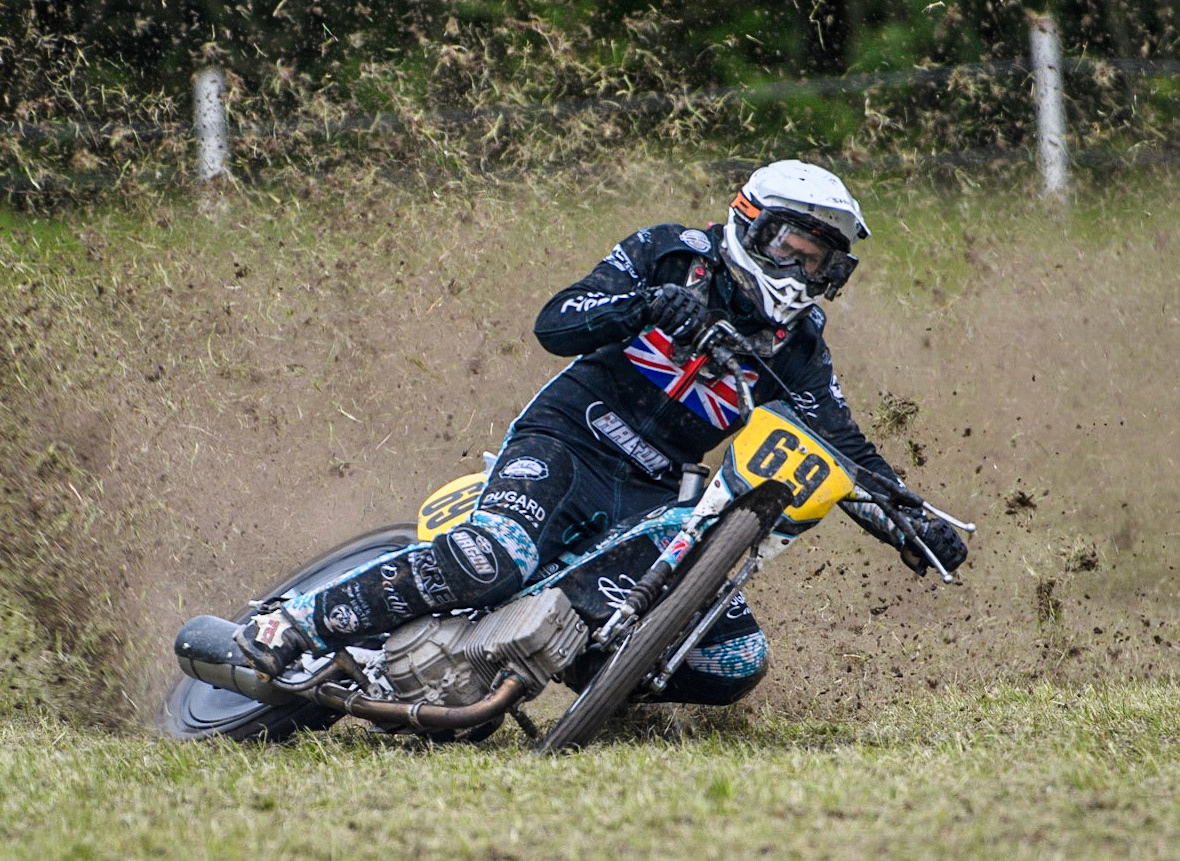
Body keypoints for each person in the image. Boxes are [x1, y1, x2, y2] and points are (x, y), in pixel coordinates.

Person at [234, 159, 968, 705]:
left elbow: (839, 448)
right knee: (494, 559)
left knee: (735, 661)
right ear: (749, 223)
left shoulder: (800, 344)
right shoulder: (670, 253)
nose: (800, 269)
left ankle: (583, 677)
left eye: (819, 260)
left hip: (654, 494)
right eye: (790, 247)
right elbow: (554, 322)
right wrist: (645, 306)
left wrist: (912, 519)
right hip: (567, 439)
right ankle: (296, 624)